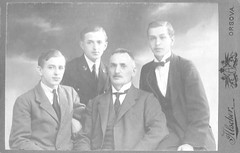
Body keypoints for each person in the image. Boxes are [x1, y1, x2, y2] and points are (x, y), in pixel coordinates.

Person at [139, 20, 216, 151]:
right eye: (153, 38)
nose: (157, 43)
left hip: (195, 134)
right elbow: (146, 110)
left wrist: (190, 143)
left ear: (172, 40)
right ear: (148, 41)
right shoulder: (146, 71)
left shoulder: (186, 67)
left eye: (162, 37)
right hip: (167, 135)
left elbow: (201, 111)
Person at [76, 48, 169, 151]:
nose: (117, 71)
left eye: (123, 66)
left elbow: (158, 130)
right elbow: (83, 137)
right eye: (113, 66)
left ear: (134, 71)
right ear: (108, 70)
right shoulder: (95, 103)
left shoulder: (147, 100)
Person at [9, 49, 85, 150]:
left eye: (61, 68)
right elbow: (19, 141)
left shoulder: (70, 93)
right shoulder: (24, 101)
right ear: (40, 70)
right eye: (51, 67)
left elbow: (84, 128)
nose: (57, 73)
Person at [62, 25, 109, 106]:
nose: (95, 47)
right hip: (77, 117)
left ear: (105, 46)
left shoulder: (109, 72)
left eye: (99, 42)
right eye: (90, 42)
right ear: (82, 45)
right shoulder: (70, 68)